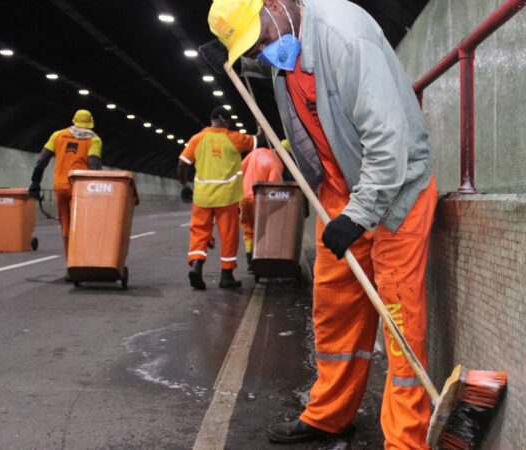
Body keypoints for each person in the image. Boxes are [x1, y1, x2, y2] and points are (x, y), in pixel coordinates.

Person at [202, 1, 437, 448]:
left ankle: (406, 440)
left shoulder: (346, 38)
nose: (264, 52)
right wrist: (239, 59)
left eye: (260, 40)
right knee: (335, 310)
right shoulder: (284, 35)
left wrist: (360, 215)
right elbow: (280, 66)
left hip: (394, 190)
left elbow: (389, 143)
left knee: (399, 321)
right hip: (338, 189)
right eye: (253, 49)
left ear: (276, 4)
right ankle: (330, 414)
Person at [178, 106, 259, 290]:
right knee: (228, 235)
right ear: (222, 118)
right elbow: (257, 140)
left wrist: (184, 185)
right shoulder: (233, 138)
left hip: (202, 197)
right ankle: (226, 276)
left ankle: (196, 266)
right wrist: (261, 127)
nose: (229, 124)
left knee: (199, 232)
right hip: (226, 197)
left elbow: (182, 163)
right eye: (228, 120)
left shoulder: (197, 138)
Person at [28, 109, 102, 282]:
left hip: (61, 187)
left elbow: (41, 161)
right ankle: (86, 263)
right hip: (82, 188)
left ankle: (71, 267)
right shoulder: (94, 140)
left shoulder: (58, 135)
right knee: (84, 226)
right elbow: (94, 166)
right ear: (90, 122)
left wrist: (35, 182)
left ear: (74, 120)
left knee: (66, 227)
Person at [240, 140, 285, 272]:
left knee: (248, 230)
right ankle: (260, 261)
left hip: (243, 198)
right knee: (262, 230)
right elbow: (272, 189)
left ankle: (249, 262)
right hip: (259, 200)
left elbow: (240, 170)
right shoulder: (277, 163)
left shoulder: (256, 152)